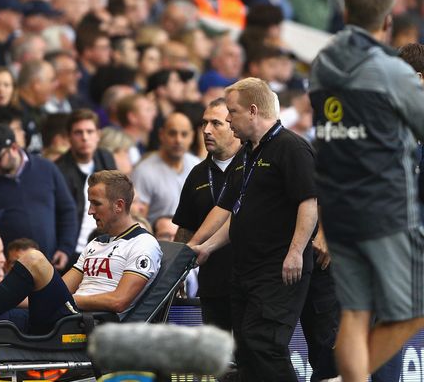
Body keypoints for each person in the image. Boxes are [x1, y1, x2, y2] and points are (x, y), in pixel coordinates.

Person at [309, 0, 424, 382]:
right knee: (415, 307)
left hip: (340, 210)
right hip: (385, 209)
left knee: (355, 313)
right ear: (388, 22)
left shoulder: (322, 66)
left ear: (345, 16)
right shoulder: (392, 71)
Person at [0, 170, 162, 347]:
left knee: (33, 258)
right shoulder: (96, 243)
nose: (90, 211)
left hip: (89, 325)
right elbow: (61, 289)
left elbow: (118, 301)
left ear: (119, 205)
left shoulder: (144, 244)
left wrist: (63, 300)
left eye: (96, 204)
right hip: (62, 315)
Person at [188, 77, 318, 381]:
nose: (229, 119)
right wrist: (206, 247)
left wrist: (296, 251)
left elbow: (308, 202)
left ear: (253, 111)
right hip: (246, 268)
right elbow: (237, 214)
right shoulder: (247, 154)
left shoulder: (291, 147)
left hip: (279, 267)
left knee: (264, 343)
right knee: (245, 348)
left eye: (232, 112)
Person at [0, 123, 77, 269]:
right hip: (7, 269)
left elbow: (67, 210)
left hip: (50, 264)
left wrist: (65, 248)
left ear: (14, 148)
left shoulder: (46, 168)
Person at [172, 98, 240, 332]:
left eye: (216, 123)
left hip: (250, 282)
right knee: (217, 361)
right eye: (204, 123)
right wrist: (176, 274)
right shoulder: (197, 174)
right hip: (212, 284)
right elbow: (185, 229)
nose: (207, 130)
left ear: (234, 125)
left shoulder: (253, 164)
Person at [54, 108, 117, 267]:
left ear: (98, 135)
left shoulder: (106, 158)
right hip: (74, 251)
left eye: (90, 131)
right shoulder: (58, 170)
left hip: (109, 246)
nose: (85, 138)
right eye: (78, 132)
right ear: (69, 137)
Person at [132, 112, 201, 223]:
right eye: (172, 133)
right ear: (161, 135)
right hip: (158, 238)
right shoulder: (144, 171)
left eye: (184, 134)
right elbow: (139, 220)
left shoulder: (197, 165)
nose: (178, 140)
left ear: (192, 137)